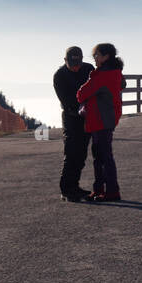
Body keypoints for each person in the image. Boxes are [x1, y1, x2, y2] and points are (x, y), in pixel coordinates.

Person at [76, 42, 125, 201]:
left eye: (97, 55)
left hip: (101, 120)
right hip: (106, 119)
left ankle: (111, 191)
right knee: (101, 156)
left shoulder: (103, 75)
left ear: (106, 56)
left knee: (103, 157)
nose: (95, 58)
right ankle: (99, 190)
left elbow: (81, 94)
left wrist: (92, 78)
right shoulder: (114, 72)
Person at [52, 46, 94, 202]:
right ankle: (66, 190)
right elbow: (66, 100)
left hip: (88, 116)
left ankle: (74, 186)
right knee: (71, 153)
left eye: (78, 64)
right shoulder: (60, 75)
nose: (76, 67)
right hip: (71, 117)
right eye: (72, 64)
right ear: (65, 61)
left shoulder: (88, 69)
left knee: (82, 154)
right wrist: (81, 105)